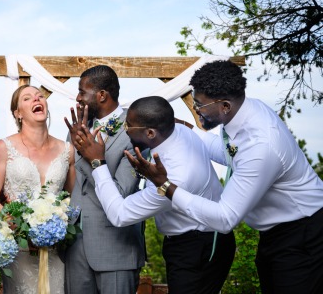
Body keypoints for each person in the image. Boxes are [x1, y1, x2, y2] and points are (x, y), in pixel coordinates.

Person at [130, 60, 323, 294]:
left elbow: (225, 218)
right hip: (277, 233)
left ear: (224, 106)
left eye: (199, 105)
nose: (197, 109)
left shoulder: (261, 144)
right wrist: (186, 131)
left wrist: (165, 185)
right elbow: (228, 153)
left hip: (302, 234)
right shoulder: (244, 113)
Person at [74, 96, 235, 294]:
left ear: (150, 132)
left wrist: (97, 162)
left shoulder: (175, 177)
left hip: (197, 247)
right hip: (197, 240)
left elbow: (119, 215)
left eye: (129, 126)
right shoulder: (180, 131)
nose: (124, 129)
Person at [64, 65, 145, 294]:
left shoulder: (134, 130)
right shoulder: (79, 129)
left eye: (82, 92)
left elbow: (119, 193)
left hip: (116, 248)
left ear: (102, 95)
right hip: (75, 248)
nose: (78, 98)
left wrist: (86, 154)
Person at [0, 85, 76, 294]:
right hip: (20, 248)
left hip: (55, 248)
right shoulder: (4, 147)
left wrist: (60, 227)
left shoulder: (67, 150)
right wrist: (20, 228)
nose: (36, 100)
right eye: (27, 99)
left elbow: (72, 200)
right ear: (18, 114)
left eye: (40, 96)